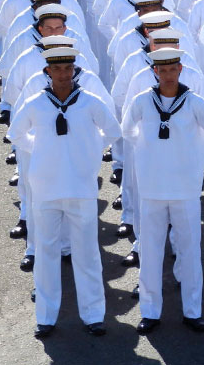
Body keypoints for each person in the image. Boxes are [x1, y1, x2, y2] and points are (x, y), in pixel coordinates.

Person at [10, 47, 121, 338]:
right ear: (47, 72)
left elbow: (112, 130)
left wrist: (90, 153)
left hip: (81, 188)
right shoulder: (36, 103)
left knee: (87, 253)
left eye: (67, 69)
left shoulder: (89, 102)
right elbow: (16, 134)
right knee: (46, 253)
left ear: (74, 70)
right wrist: (43, 151)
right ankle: (46, 317)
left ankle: (94, 315)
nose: (63, 74)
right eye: (57, 69)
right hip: (46, 188)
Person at [121, 49, 204, 334]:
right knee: (150, 252)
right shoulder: (142, 101)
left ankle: (193, 311)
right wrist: (147, 153)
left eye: (172, 69)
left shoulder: (195, 103)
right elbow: (127, 130)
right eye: (162, 70)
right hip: (152, 188)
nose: (168, 75)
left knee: (190, 253)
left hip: (185, 189)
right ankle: (150, 311)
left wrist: (194, 157)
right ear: (155, 72)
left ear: (180, 70)